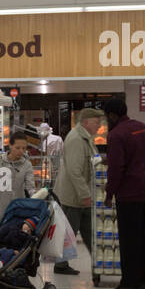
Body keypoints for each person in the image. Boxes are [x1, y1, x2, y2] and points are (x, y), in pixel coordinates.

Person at [103, 96, 145, 289]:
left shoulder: (116, 134)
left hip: (130, 192)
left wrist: (109, 193)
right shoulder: (142, 127)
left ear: (112, 115)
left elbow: (117, 168)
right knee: (144, 234)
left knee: (129, 238)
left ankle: (130, 284)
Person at [50, 108, 105, 276]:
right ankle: (61, 265)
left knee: (89, 232)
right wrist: (85, 195)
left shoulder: (86, 138)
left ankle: (98, 265)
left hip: (81, 195)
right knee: (69, 232)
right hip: (73, 197)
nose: (99, 126)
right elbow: (75, 171)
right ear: (86, 122)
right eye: (97, 122)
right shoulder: (76, 139)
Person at [0, 132, 36, 235]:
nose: (21, 151)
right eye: (17, 148)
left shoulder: (27, 165)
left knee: (14, 239)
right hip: (0, 209)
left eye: (24, 148)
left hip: (18, 209)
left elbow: (30, 187)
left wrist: (36, 197)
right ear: (10, 146)